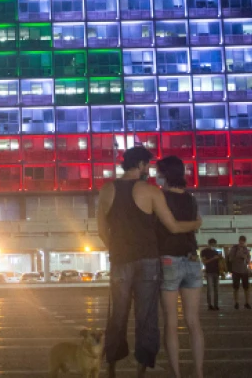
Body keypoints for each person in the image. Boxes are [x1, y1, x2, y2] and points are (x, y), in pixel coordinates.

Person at [97, 147, 202, 378]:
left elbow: (102, 229)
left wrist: (115, 248)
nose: (149, 170)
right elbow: (173, 226)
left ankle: (112, 367)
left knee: (118, 314)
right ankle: (141, 370)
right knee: (147, 317)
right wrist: (195, 225)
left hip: (120, 260)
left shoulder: (106, 190)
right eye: (148, 166)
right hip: (148, 260)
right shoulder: (150, 191)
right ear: (142, 165)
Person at [155, 156, 205, 378]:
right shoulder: (191, 199)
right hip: (192, 260)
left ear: (164, 174)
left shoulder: (160, 197)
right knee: (193, 321)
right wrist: (195, 225)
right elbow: (196, 222)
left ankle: (176, 374)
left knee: (171, 323)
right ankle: (199, 372)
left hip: (169, 260)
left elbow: (170, 227)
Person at [228, 236, 252, 309]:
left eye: (243, 242)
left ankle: (247, 302)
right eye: (241, 241)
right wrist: (237, 256)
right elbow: (230, 259)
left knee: (246, 288)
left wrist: (245, 257)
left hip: (244, 270)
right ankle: (236, 302)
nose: (242, 243)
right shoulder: (234, 248)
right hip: (235, 270)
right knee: (236, 288)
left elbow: (248, 261)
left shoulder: (246, 249)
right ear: (239, 241)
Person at [200, 238, 222, 310]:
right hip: (209, 272)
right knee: (209, 289)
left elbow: (219, 262)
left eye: (214, 245)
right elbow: (204, 262)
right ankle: (210, 305)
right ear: (209, 244)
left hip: (216, 272)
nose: (213, 246)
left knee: (217, 290)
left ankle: (216, 305)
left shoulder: (216, 252)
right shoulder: (204, 252)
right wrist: (213, 258)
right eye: (212, 245)